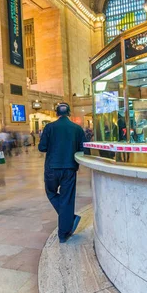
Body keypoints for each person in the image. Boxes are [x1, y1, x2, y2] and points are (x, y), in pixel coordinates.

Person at [38, 102, 86, 243]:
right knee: (67, 198)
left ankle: (68, 219)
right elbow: (84, 147)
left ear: (57, 113)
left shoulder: (50, 127)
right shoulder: (77, 128)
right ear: (69, 113)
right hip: (70, 168)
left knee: (50, 192)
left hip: (52, 167)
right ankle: (63, 233)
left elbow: (42, 147)